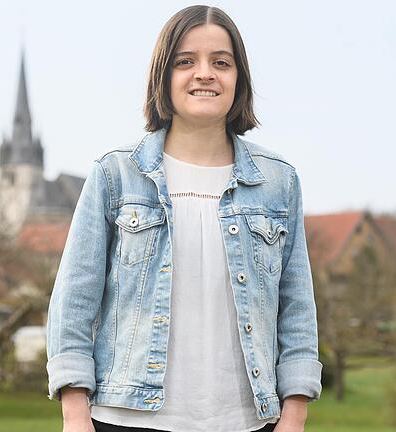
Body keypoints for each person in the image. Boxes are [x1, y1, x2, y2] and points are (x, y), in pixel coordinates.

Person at [46, 5, 322, 432]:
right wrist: (74, 411)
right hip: (126, 418)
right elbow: (72, 304)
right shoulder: (115, 175)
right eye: (185, 61)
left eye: (221, 62)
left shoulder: (278, 182)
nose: (205, 73)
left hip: (250, 422)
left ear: (238, 78)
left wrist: (296, 411)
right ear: (164, 75)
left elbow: (297, 307)